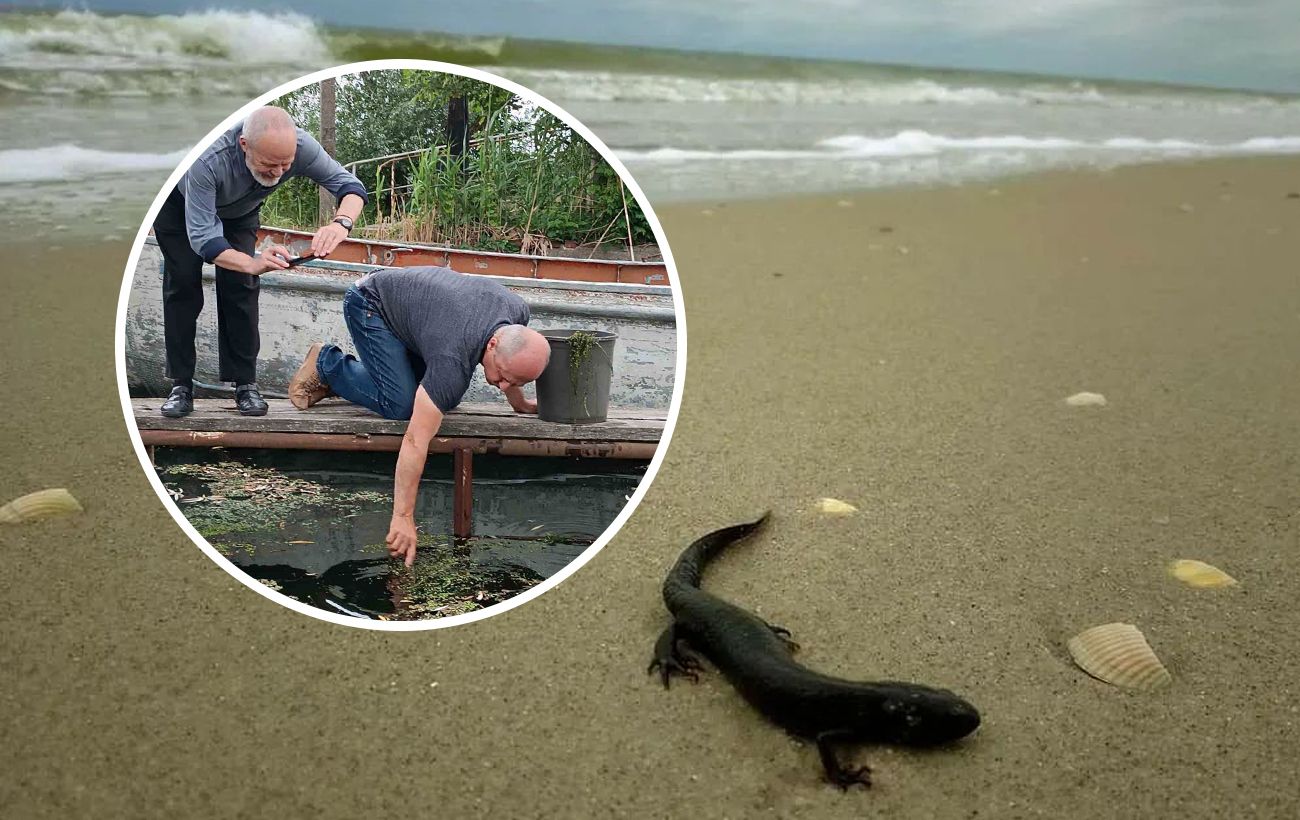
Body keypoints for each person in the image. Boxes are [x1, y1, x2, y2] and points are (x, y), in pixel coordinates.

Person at [286, 265, 552, 567]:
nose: (503, 386)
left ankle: (353, 381)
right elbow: (415, 441)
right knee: (401, 405)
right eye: (503, 378)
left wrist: (520, 405)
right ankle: (328, 365)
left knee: (440, 399)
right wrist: (402, 517)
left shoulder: (517, 314)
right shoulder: (452, 360)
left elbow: (510, 369)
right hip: (371, 302)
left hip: (420, 313)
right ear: (492, 344)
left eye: (513, 383)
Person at [152, 106, 368, 418]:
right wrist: (253, 262)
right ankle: (181, 385)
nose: (279, 172)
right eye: (269, 165)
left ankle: (245, 385)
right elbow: (204, 240)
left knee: (241, 286)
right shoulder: (207, 159)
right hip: (181, 207)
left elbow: (351, 187)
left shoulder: (302, 147)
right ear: (244, 145)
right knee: (183, 284)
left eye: (286, 165)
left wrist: (340, 224)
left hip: (240, 212)